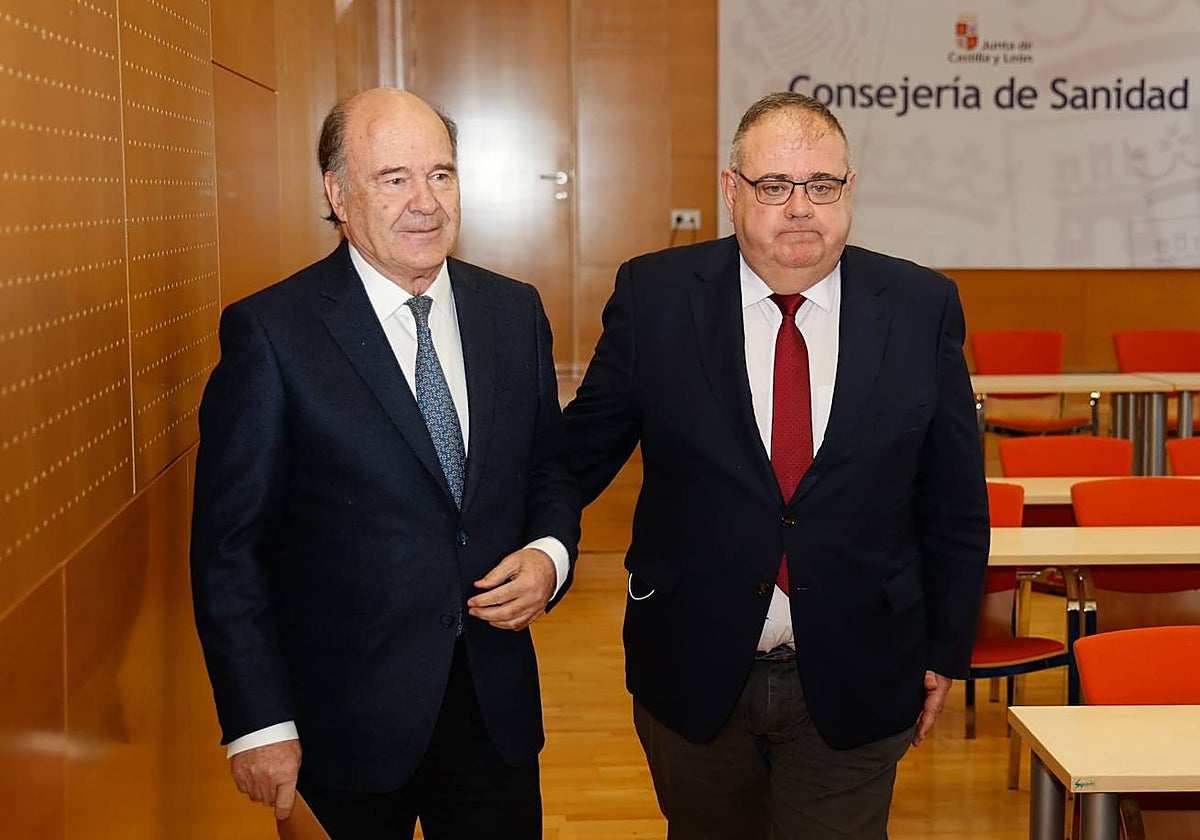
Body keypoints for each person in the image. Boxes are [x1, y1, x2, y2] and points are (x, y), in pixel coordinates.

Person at [562, 91, 990, 839]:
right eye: (774, 187)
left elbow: (953, 500)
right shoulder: (656, 298)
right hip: (692, 668)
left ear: (850, 190)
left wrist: (946, 648)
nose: (801, 208)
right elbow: (574, 458)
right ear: (731, 192)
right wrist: (520, 544)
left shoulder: (921, 306)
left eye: (822, 186)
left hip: (859, 666)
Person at [191, 88, 580, 840]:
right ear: (337, 194)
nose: (425, 202)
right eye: (393, 178)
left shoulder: (513, 312)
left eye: (441, 174)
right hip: (345, 728)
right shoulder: (271, 335)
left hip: (493, 717)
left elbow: (549, 472)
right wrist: (257, 722)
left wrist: (548, 557)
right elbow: (229, 550)